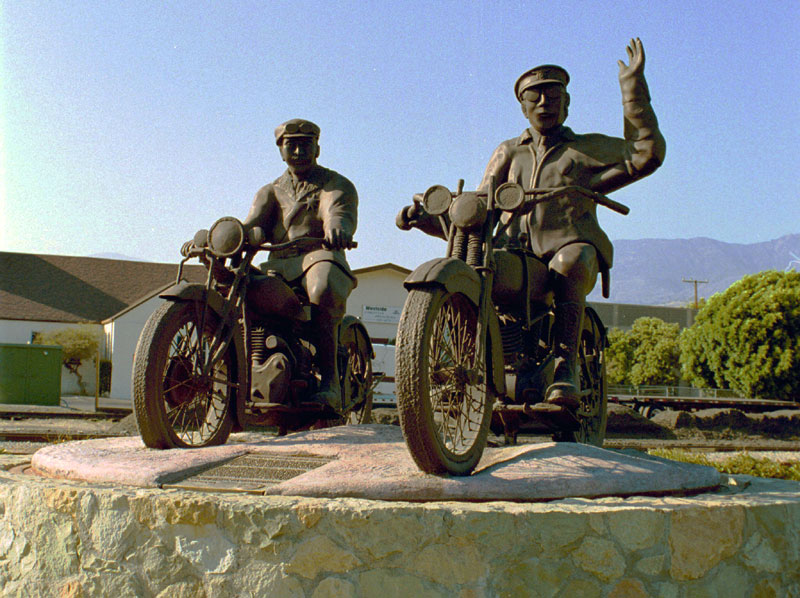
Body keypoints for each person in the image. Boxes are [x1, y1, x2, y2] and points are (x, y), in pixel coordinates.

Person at [398, 38, 665, 415]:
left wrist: (632, 88)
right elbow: (481, 208)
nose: (544, 103)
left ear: (567, 103)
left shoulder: (585, 149)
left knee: (570, 262)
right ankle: (464, 363)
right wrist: (426, 218)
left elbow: (645, 154)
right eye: (534, 97)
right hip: (515, 252)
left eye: (553, 96)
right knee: (480, 267)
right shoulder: (508, 151)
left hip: (568, 249)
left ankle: (565, 366)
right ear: (522, 106)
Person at [243, 118, 358, 409]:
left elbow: (336, 210)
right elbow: (252, 223)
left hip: (319, 255)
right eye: (291, 145)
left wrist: (337, 228)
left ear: (317, 148)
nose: (298, 151)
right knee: (241, 286)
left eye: (305, 145)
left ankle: (330, 384)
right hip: (278, 264)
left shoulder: (334, 184)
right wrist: (228, 236)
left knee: (322, 286)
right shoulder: (271, 191)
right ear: (280, 150)